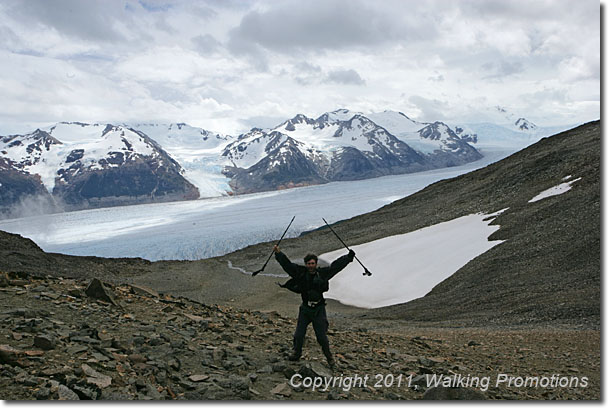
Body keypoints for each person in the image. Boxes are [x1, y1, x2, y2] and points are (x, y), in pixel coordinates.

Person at [273, 244, 355, 369]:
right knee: (299, 335)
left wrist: (348, 258)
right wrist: (279, 254)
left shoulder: (322, 273)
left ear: (316, 264)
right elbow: (287, 265)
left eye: (312, 263)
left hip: (318, 310)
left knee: (322, 337)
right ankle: (296, 353)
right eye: (308, 264)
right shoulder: (300, 273)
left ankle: (330, 359)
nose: (310, 266)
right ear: (306, 264)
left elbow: (336, 266)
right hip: (305, 309)